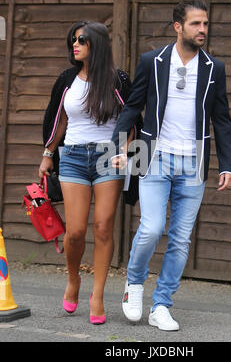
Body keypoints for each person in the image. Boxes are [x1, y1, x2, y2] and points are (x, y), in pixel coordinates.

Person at [111, 0, 231, 331]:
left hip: (194, 160)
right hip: (153, 155)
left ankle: (162, 305)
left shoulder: (214, 68)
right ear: (178, 26)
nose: (203, 30)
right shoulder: (152, 61)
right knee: (151, 228)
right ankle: (134, 284)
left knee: (180, 238)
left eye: (205, 24)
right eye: (196, 24)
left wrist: (228, 164)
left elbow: (221, 119)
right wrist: (117, 144)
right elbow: (132, 106)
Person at [39, 20, 140, 325]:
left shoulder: (117, 79)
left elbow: (133, 119)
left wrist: (126, 151)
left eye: (81, 40)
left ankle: (97, 295)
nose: (75, 44)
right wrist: (47, 154)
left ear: (96, 43)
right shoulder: (67, 79)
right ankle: (73, 280)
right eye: (73, 39)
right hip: (71, 156)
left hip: (108, 156)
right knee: (76, 231)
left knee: (103, 227)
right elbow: (59, 120)